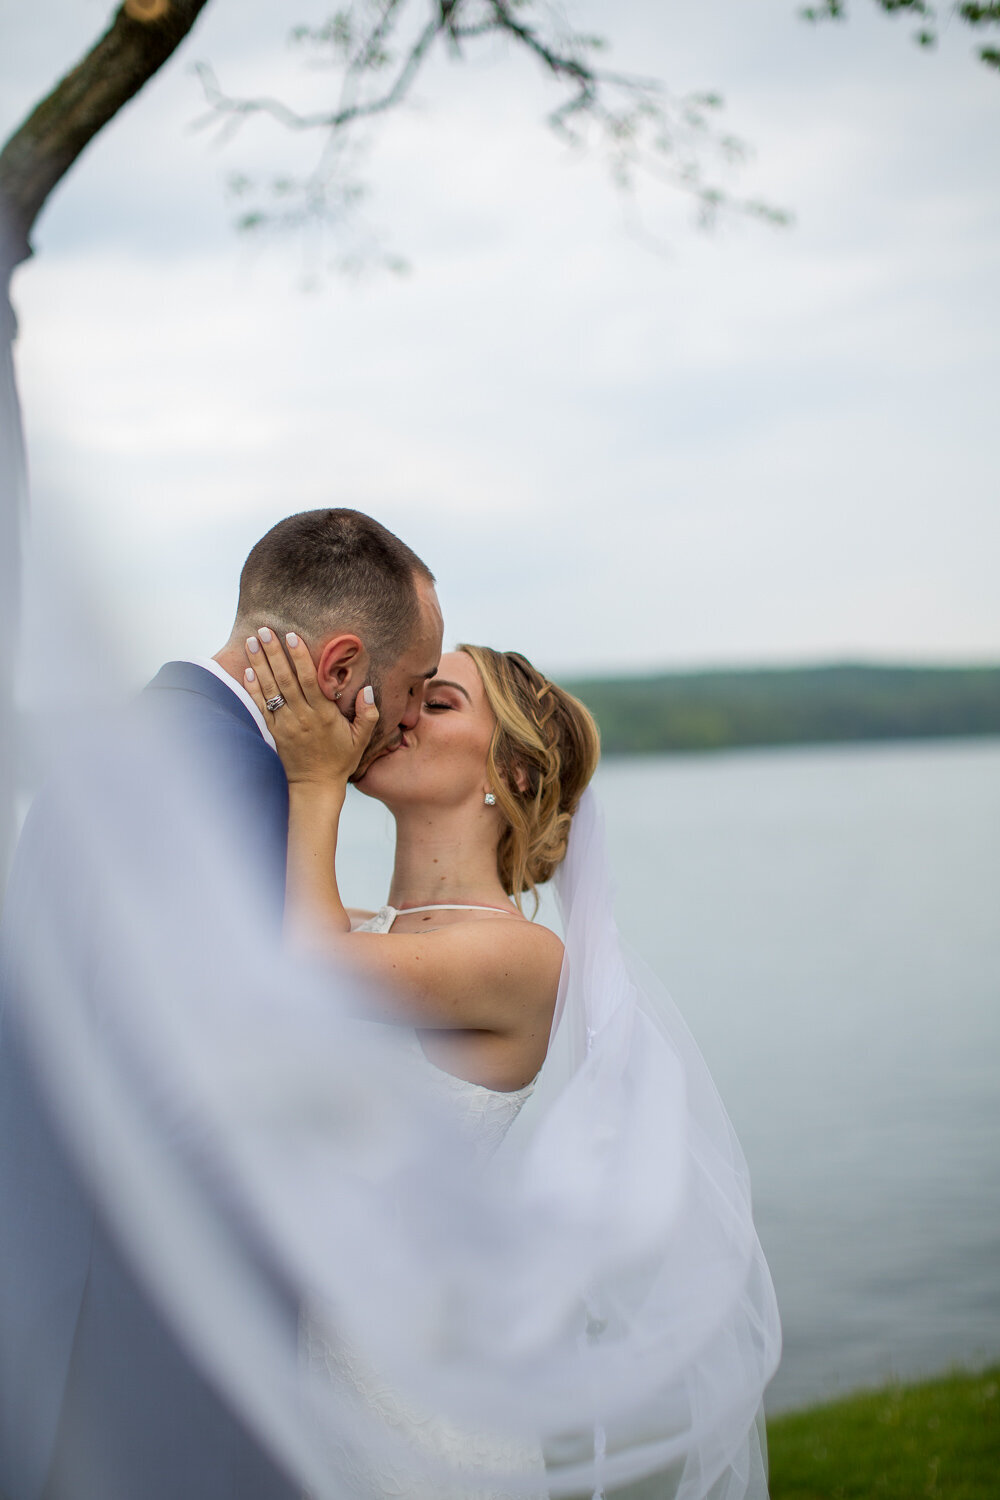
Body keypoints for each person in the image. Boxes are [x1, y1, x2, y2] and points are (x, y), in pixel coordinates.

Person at [239, 630, 779, 1499]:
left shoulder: (520, 958)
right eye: (412, 694)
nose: (399, 713)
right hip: (312, 1366)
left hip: (408, 1409)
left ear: (513, 777)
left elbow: (303, 978)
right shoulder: (366, 925)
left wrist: (313, 781)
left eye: (437, 703)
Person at [0, 508, 444, 1500]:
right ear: (339, 671)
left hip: (55, 1294)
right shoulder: (233, 787)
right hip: (154, 1345)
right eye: (413, 689)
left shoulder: (133, 741)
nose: (411, 721)